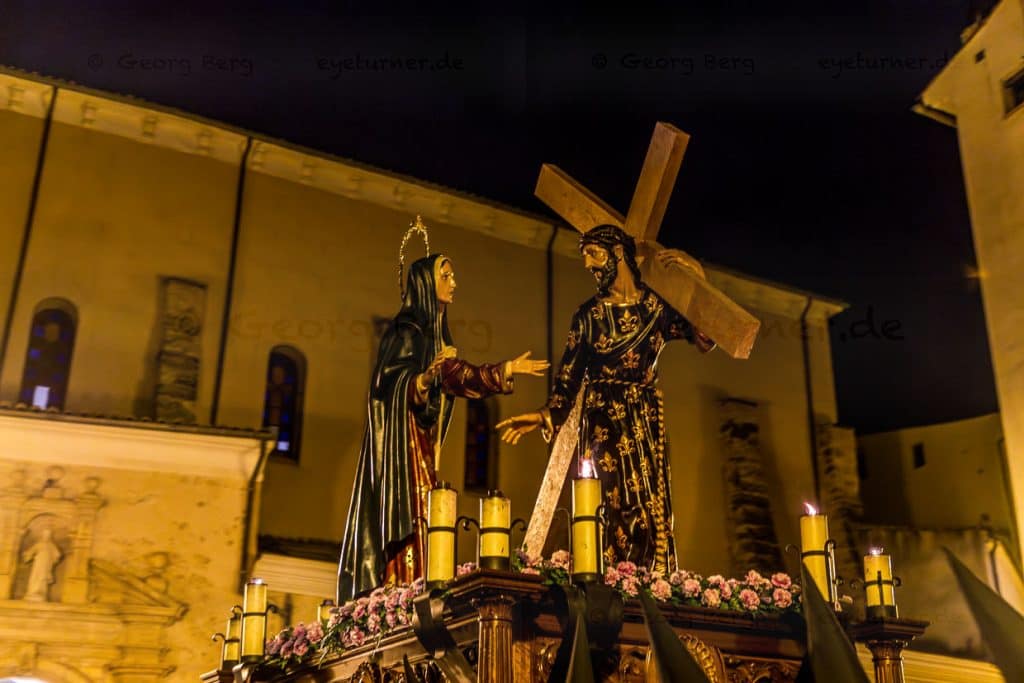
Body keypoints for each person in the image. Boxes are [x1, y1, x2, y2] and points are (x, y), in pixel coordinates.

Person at [497, 225, 714, 574]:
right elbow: (567, 378)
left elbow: (705, 335)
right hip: (601, 420)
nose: (587, 264)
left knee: (649, 507)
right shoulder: (588, 316)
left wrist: (695, 273)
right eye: (585, 255)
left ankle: (649, 579)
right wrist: (542, 416)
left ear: (618, 255)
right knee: (611, 504)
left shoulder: (655, 309)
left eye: (594, 254)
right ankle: (613, 576)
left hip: (644, 422)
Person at [337, 253, 548, 601]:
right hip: (397, 453)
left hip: (420, 445)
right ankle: (397, 593)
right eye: (446, 275)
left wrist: (505, 369)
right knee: (411, 513)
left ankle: (415, 589)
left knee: (426, 515)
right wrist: (421, 380)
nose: (454, 283)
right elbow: (386, 383)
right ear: (425, 283)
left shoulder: (436, 337)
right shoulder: (406, 330)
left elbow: (460, 376)